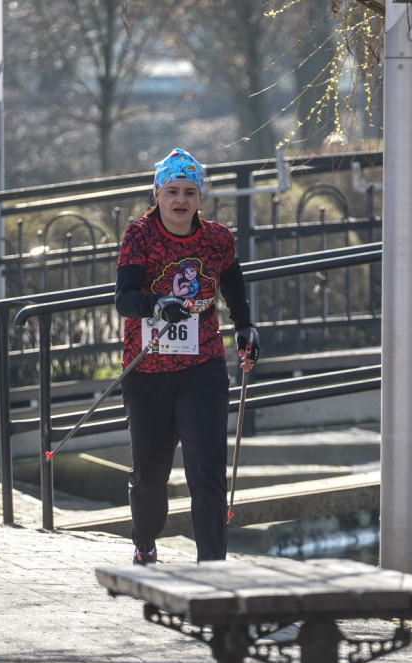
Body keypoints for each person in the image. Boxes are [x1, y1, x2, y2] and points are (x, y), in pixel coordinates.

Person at [115, 148, 259, 565]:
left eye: (190, 192)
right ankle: (144, 542)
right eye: (173, 191)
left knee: (206, 471)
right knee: (150, 477)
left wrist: (244, 324)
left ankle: (212, 566)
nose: (181, 200)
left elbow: (230, 274)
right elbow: (124, 299)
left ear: (201, 197)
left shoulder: (216, 238)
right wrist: (158, 304)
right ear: (157, 193)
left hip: (203, 365)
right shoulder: (139, 235)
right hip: (148, 367)